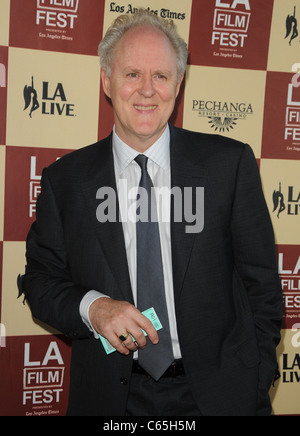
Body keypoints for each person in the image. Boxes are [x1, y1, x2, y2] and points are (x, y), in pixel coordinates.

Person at [19, 9, 282, 416]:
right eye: (132, 74)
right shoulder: (65, 180)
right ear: (106, 80)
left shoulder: (228, 165)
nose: (147, 90)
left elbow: (262, 287)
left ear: (178, 83)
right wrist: (93, 307)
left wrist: (255, 380)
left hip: (218, 397)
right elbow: (38, 283)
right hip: (111, 398)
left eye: (160, 75)